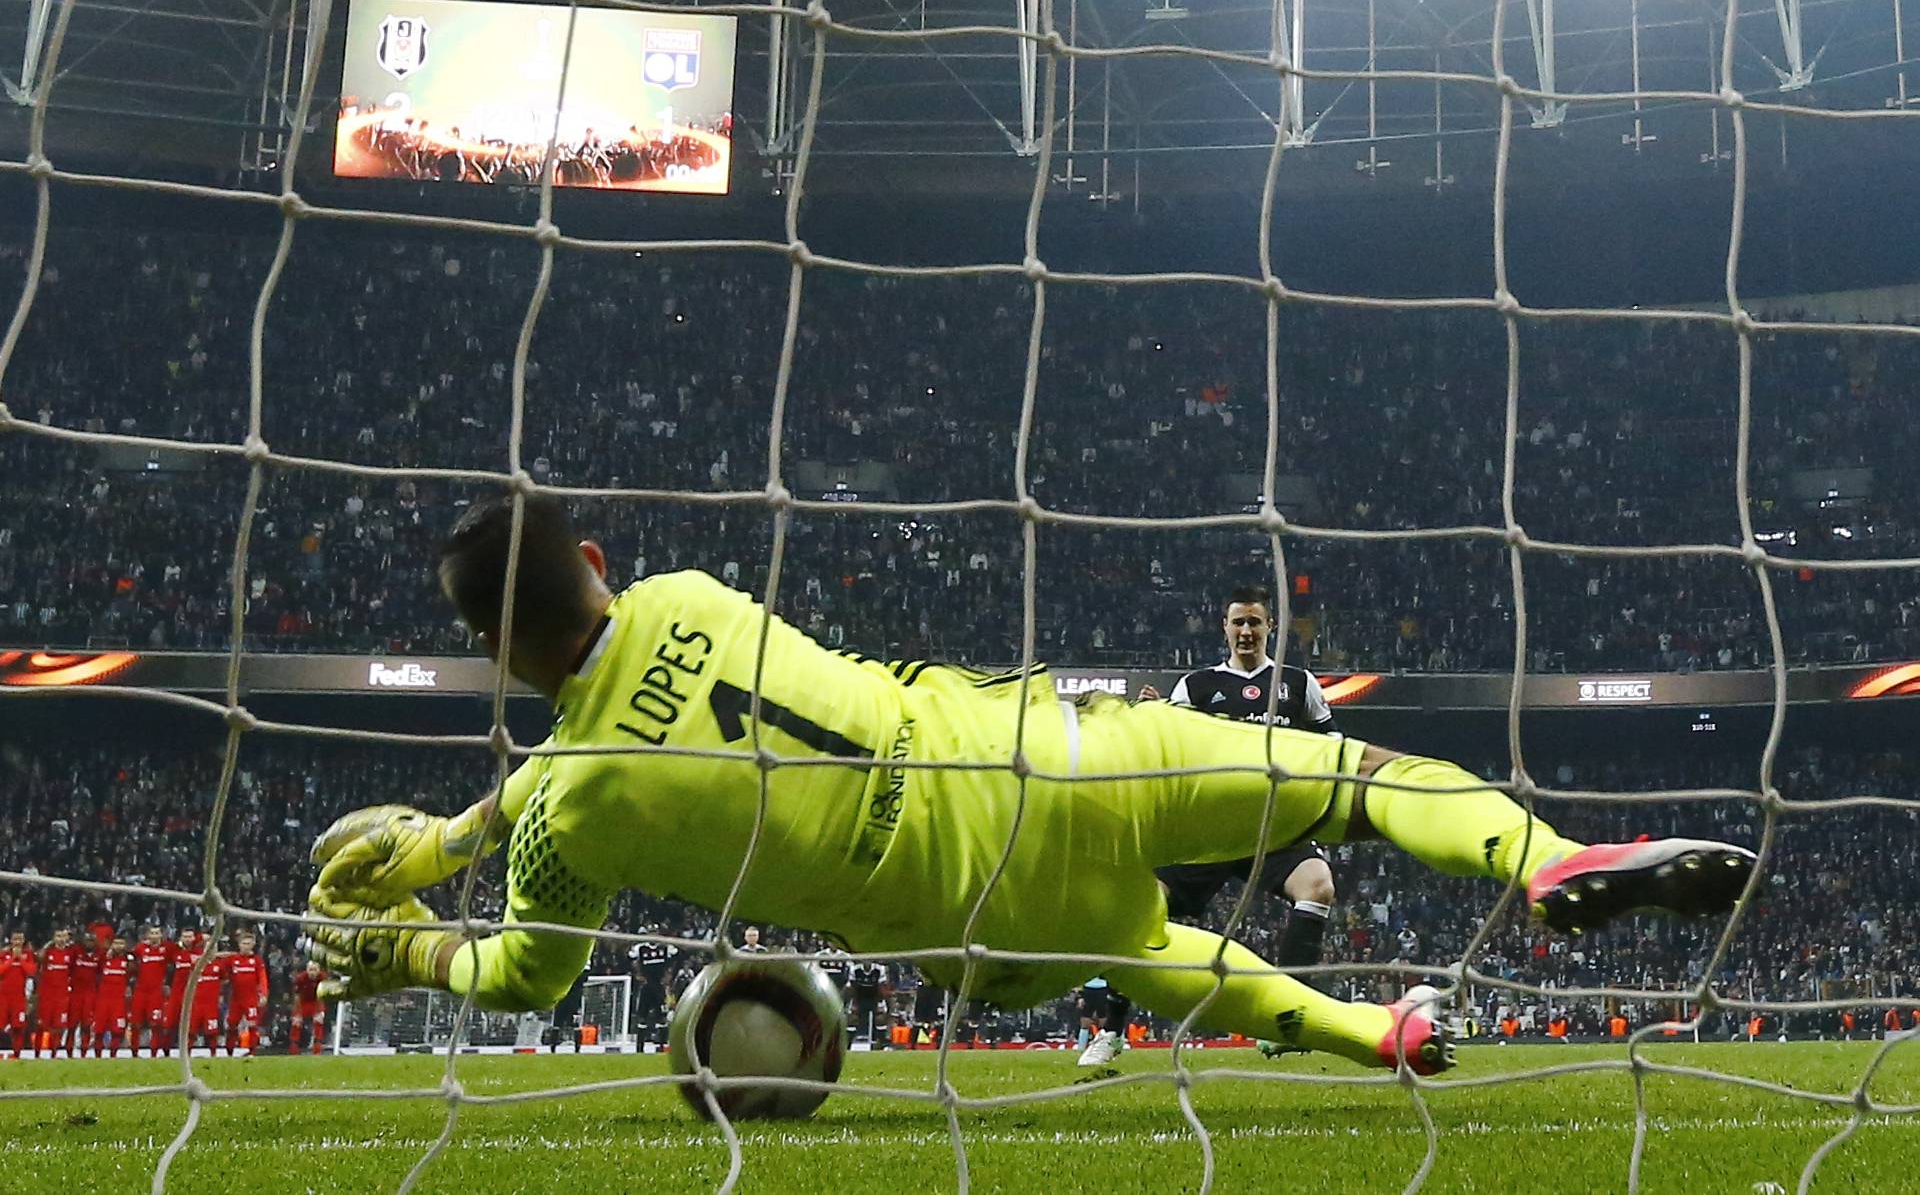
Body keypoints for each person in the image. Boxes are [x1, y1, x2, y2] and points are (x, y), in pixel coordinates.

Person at [302, 495, 1758, 1077]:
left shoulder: (570, 810)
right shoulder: (687, 589)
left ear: (492, 654)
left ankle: (1376, 1034)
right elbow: (624, 699)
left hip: (971, 922)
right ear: (599, 565)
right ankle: (1545, 856)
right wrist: (448, 835)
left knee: (1173, 958)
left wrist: (423, 911)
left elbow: (523, 969)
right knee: (1354, 776)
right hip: (1034, 749)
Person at [1095, 583, 1342, 1068]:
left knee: (1318, 886)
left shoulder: (1298, 683)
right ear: (1225, 628)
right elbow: (1170, 747)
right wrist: (1151, 716)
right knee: (1142, 907)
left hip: (1273, 827)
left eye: (1255, 622)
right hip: (1208, 827)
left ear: (1270, 627)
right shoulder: (1198, 685)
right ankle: (1110, 1030)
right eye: (1239, 622)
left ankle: (1287, 1019)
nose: (1246, 631)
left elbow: (1331, 745)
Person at [130, 925, 175, 1058]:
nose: (154, 936)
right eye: (152, 933)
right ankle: (134, 1053)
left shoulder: (166, 949)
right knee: (135, 1024)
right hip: (140, 991)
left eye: (157, 933)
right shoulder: (140, 948)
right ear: (148, 936)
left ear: (161, 935)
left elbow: (175, 962)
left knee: (156, 1024)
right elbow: (130, 960)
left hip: (156, 992)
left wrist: (167, 984)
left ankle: (154, 1054)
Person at [222, 930, 269, 1056]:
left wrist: (263, 994)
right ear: (239, 944)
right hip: (236, 999)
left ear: (253, 944)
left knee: (253, 1024)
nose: (246, 946)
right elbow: (222, 972)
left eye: (248, 943)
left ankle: (252, 1051)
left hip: (251, 998)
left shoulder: (257, 961)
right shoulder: (232, 959)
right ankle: (229, 1051)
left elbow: (262, 978)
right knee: (231, 1024)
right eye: (243, 943)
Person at [34, 928, 75, 1058]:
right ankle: (37, 1054)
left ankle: (54, 1053)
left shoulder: (70, 953)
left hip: (61, 996)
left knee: (58, 1027)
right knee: (41, 1025)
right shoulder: (48, 952)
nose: (61, 939)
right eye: (58, 936)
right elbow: (38, 958)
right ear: (53, 937)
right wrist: (47, 944)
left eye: (63, 936)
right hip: (46, 995)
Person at [92, 935, 131, 1058]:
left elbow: (137, 972)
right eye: (116, 943)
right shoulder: (103, 958)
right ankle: (98, 1056)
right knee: (99, 1030)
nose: (118, 946)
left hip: (118, 1001)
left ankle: (113, 1055)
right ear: (111, 944)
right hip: (103, 1000)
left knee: (117, 1031)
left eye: (121, 944)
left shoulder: (129, 960)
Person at [0, 932, 35, 1058]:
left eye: (20, 939)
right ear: (10, 940)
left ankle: (17, 1054)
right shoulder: (4, 954)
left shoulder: (28, 954)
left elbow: (31, 971)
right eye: (15, 939)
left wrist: (20, 958)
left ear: (24, 940)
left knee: (18, 1027)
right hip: (3, 997)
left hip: (19, 998)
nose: (17, 942)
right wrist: (12, 959)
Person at [290, 961, 329, 1055]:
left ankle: (317, 1051)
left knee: (318, 1022)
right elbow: (296, 995)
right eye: (310, 970)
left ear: (319, 971)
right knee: (296, 1023)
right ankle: (294, 1052)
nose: (312, 973)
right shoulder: (300, 978)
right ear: (307, 970)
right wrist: (297, 1012)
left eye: (315, 970)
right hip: (302, 1001)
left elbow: (323, 995)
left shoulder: (323, 978)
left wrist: (320, 1010)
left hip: (316, 1001)